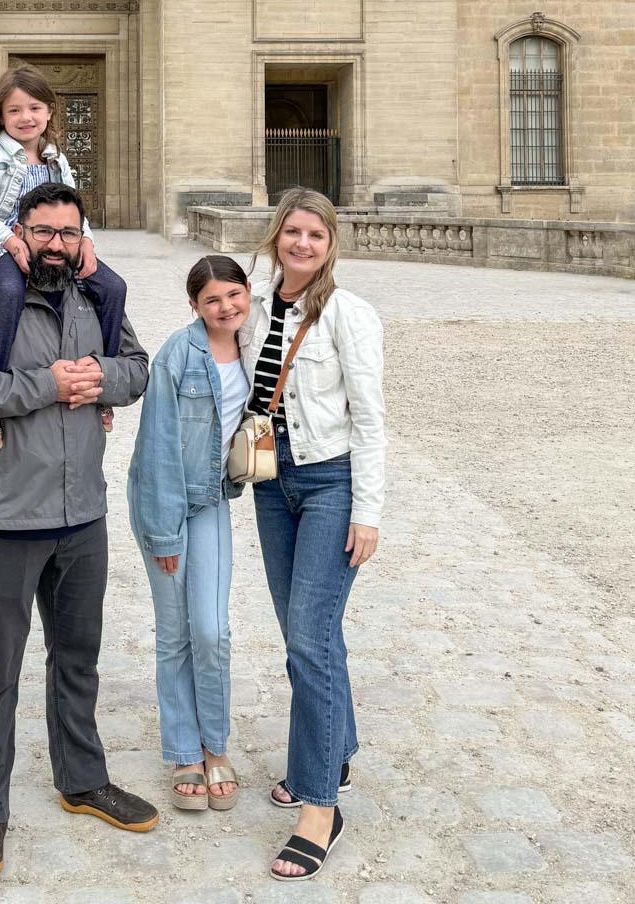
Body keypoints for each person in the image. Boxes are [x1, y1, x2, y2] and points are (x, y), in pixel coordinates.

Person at [0, 182, 157, 878]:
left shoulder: (95, 303)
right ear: (18, 235)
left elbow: (138, 368)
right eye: (43, 231)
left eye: (68, 232)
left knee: (78, 658)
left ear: (83, 240)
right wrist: (43, 386)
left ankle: (82, 780)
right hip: (3, 517)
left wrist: (102, 379)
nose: (55, 243)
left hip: (81, 510)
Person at [238, 188, 386, 881]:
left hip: (331, 485)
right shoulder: (256, 308)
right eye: (292, 232)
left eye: (315, 236)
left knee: (309, 639)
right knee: (309, 632)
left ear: (331, 245)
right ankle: (333, 752)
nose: (302, 244)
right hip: (274, 482)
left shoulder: (350, 316)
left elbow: (371, 420)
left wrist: (369, 511)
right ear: (276, 237)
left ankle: (320, 807)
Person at [128, 255, 251, 813]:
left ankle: (215, 742)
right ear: (195, 306)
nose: (226, 308)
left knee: (212, 629)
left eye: (234, 295)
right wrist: (163, 534)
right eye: (212, 300)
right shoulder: (179, 354)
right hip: (167, 504)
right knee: (176, 632)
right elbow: (155, 449)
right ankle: (185, 750)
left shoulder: (255, 345)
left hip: (212, 500)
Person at [0, 64, 124, 451]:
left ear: (49, 111)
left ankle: (103, 385)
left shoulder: (56, 159)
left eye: (34, 108)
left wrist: (85, 241)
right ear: (0, 115)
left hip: (55, 246)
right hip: (0, 246)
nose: (25, 118)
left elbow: (74, 209)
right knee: (9, 292)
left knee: (113, 287)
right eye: (14, 110)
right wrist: (9, 242)